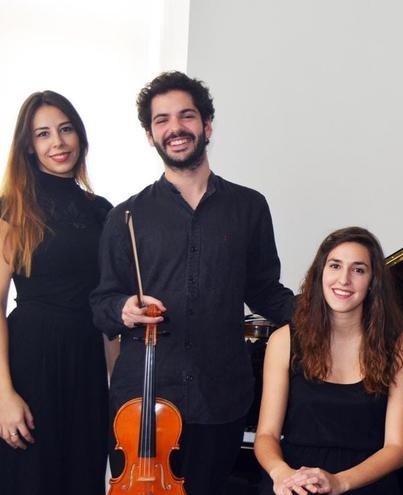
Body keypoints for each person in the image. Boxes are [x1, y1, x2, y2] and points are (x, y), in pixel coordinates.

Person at [90, 71, 294, 494]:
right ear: (150, 135)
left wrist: (329, 319)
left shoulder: (249, 207)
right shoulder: (125, 217)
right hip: (143, 402)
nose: (175, 128)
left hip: (219, 394)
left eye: (186, 116)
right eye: (161, 120)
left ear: (207, 125)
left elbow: (265, 290)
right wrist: (123, 308)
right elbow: (101, 302)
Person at [0, 91, 112, 494]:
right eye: (43, 134)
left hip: (86, 361)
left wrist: (116, 389)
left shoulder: (103, 211)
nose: (58, 142)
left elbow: (109, 308)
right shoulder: (12, 207)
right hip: (30, 361)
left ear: (80, 136)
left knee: (82, 476)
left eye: (65, 129)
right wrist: (3, 395)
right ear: (29, 147)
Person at [254, 227, 403, 495]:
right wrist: (281, 474)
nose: (344, 279)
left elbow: (396, 449)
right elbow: (266, 436)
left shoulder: (400, 347)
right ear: (320, 273)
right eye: (335, 266)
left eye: (359, 270)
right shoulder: (284, 340)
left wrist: (340, 482)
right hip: (295, 482)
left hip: (364, 482)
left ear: (373, 281)